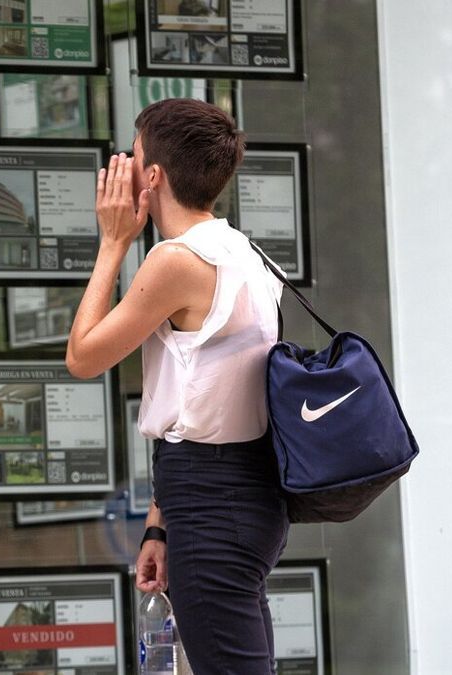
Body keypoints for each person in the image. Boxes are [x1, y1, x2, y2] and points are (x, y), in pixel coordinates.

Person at [65, 98, 288, 674]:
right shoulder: (247, 253)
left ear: (155, 176)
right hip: (232, 496)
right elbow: (205, 397)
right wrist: (159, 526)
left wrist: (113, 242)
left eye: (134, 155)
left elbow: (83, 357)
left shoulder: (177, 262)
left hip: (212, 504)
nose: (125, 166)